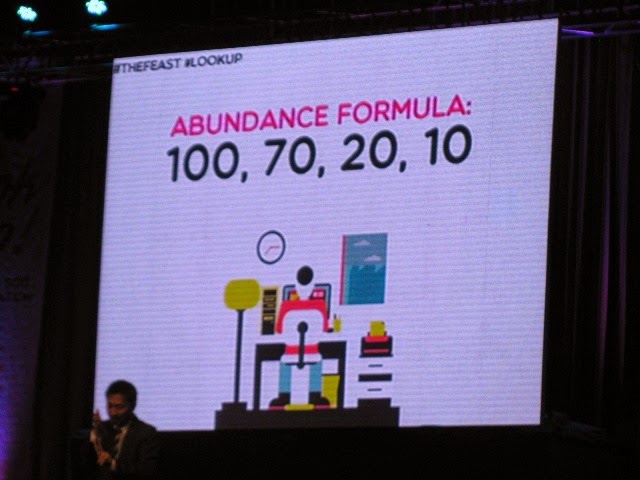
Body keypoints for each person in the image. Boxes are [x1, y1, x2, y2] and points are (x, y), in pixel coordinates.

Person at [88, 379, 160, 480]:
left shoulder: (146, 433)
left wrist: (113, 464)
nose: (113, 412)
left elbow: (146, 471)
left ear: (132, 406)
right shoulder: (102, 428)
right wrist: (94, 437)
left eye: (119, 407)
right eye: (110, 406)